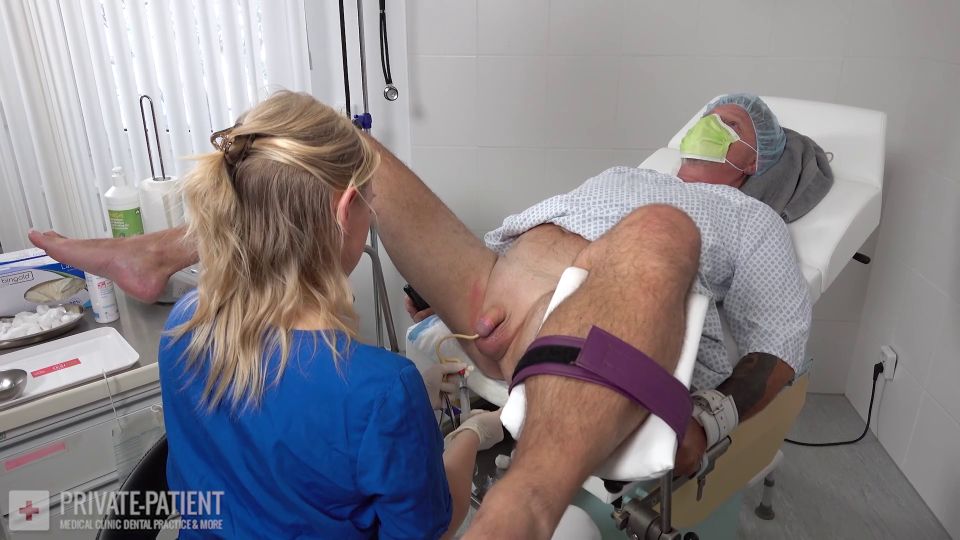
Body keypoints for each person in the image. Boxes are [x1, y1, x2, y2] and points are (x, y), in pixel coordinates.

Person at [30, 93, 806, 539]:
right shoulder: (621, 174)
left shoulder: (751, 220)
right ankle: (162, 250)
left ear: (755, 162)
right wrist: (451, 297)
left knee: (665, 226)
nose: (710, 117)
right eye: (709, 110)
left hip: (588, 342)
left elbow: (777, 348)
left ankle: (529, 497)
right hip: (490, 290)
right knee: (323, 135)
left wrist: (714, 414)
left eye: (731, 122)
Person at [152, 91, 502, 539]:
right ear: (345, 209)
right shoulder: (383, 389)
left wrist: (412, 404)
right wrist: (470, 437)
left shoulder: (184, 324)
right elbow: (431, 529)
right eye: (369, 204)